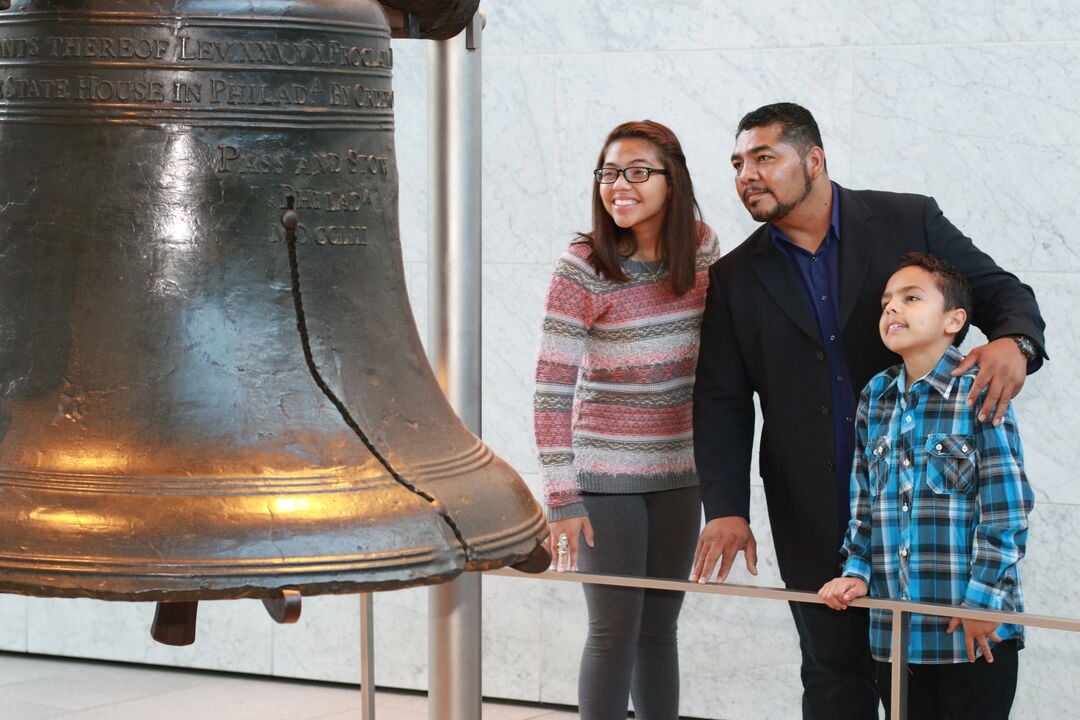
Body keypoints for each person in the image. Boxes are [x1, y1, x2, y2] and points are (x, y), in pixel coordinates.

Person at [690, 102, 1045, 718]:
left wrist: (1015, 343)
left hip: (927, 513)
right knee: (831, 673)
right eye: (739, 163)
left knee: (936, 682)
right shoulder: (733, 277)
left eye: (765, 157)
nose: (747, 174)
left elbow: (1001, 291)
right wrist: (725, 507)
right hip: (811, 510)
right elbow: (721, 399)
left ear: (815, 160)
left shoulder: (909, 219)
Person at [534, 120, 720, 720]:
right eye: (610, 172)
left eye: (638, 172)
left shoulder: (702, 248)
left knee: (658, 632)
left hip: (680, 471)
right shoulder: (582, 264)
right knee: (614, 633)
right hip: (605, 476)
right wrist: (561, 495)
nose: (620, 185)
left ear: (674, 179)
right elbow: (552, 386)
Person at [819, 252, 1033, 719]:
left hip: (973, 632)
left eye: (911, 298)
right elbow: (864, 504)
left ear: (955, 319)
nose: (892, 308)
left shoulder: (979, 387)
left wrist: (984, 599)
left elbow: (1007, 507)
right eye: (886, 302)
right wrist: (855, 570)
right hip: (895, 637)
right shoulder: (876, 396)